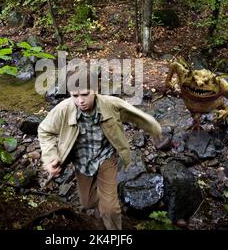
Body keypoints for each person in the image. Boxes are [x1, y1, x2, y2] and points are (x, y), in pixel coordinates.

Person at [38, 66, 162, 230]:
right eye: (75, 96)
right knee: (87, 203)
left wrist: (155, 129)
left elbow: (135, 115)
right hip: (81, 161)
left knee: (109, 209)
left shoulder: (110, 104)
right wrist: (49, 157)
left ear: (95, 89)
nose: (80, 100)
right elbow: (44, 130)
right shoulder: (63, 109)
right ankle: (103, 205)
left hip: (106, 157)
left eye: (85, 94)